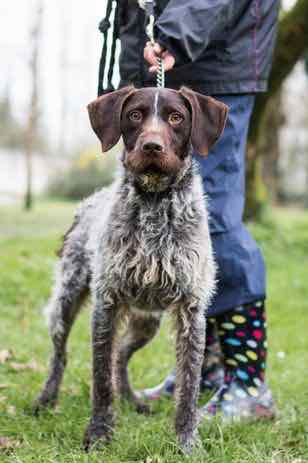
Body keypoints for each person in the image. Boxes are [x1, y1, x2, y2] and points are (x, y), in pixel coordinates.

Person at [109, 0, 280, 419]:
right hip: (164, 60)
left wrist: (174, 33)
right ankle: (205, 371)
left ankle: (247, 382)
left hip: (217, 61)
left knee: (214, 222)